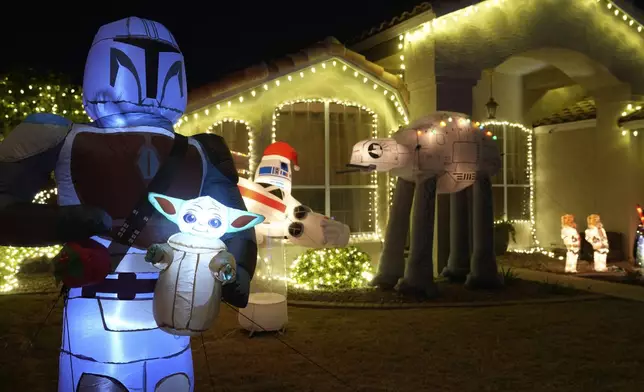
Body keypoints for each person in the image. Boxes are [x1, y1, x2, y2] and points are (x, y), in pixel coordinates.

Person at [0, 17, 257, 392]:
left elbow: (237, 225)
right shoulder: (59, 136)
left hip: (175, 305)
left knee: (170, 381)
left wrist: (237, 272)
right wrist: (67, 222)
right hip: (102, 305)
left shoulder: (202, 150)